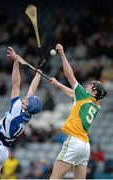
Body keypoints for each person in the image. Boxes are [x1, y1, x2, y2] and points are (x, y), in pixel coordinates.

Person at [0, 47, 45, 179]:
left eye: (27, 100)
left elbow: (15, 84)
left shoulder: (16, 110)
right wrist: (39, 71)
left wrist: (16, 62)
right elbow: (32, 89)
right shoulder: (27, 115)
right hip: (3, 153)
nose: (26, 98)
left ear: (26, 104)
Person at [50, 43, 107, 179]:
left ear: (94, 91)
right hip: (85, 146)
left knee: (54, 178)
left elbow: (69, 75)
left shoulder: (85, 96)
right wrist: (58, 84)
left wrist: (62, 54)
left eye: (91, 85)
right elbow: (73, 94)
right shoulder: (95, 104)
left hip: (74, 142)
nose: (87, 85)